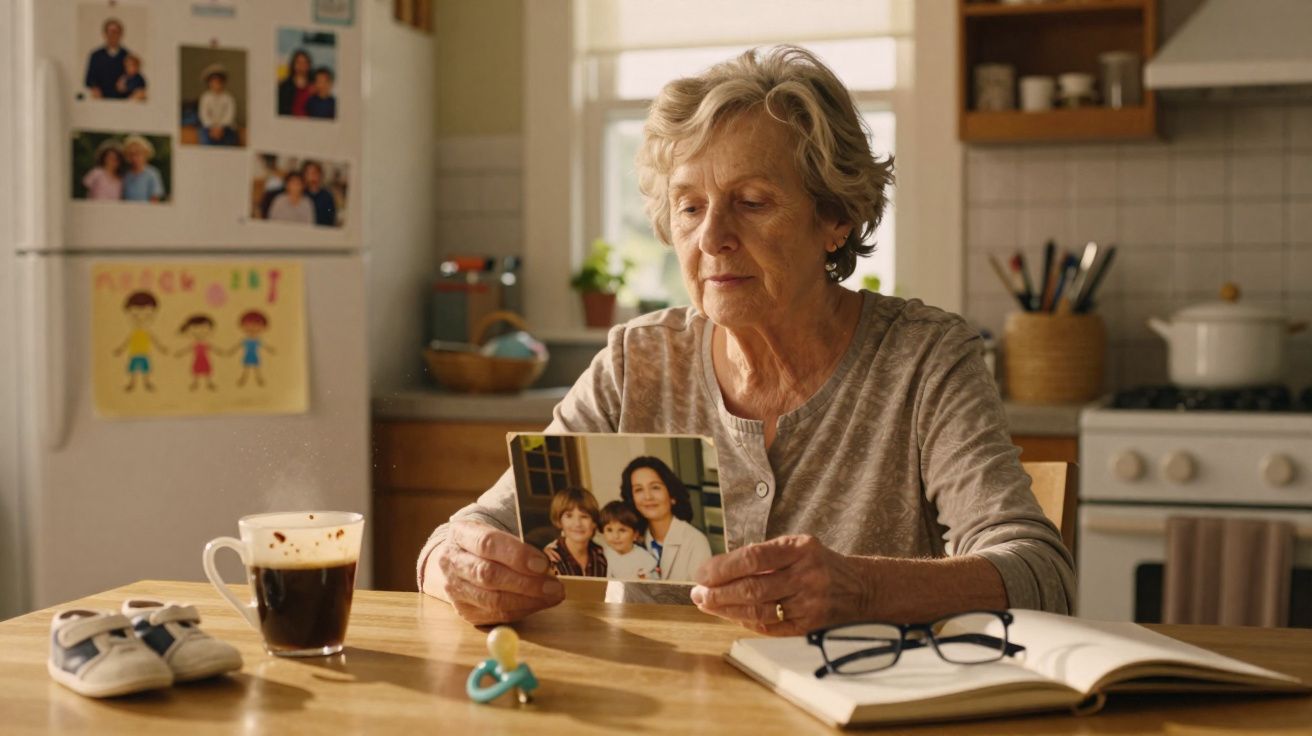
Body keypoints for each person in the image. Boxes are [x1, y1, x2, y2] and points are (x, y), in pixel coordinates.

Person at [417, 46, 1075, 631]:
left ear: (835, 218)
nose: (711, 238)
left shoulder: (925, 359)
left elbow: (1042, 576)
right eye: (690, 206)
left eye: (753, 202)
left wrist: (863, 588)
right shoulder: (636, 360)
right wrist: (459, 567)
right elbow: (467, 535)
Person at [620, 457, 711, 582]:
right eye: (638, 489)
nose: (647, 496)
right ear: (632, 499)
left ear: (672, 495)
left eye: (655, 487)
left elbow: (701, 597)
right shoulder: (632, 540)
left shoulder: (695, 541)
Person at [541, 488, 607, 577]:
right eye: (569, 516)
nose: (577, 523)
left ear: (594, 522)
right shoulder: (550, 559)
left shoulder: (602, 557)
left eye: (584, 516)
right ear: (559, 521)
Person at [111, 290, 166, 392]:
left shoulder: (148, 333)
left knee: (146, 370)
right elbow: (126, 343)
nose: (141, 319)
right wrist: (119, 350)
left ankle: (147, 383)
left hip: (145, 355)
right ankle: (132, 383)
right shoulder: (133, 333)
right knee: (133, 370)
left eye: (147, 316)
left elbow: (155, 342)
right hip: (134, 354)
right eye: (135, 316)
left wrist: (162, 348)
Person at [599, 501, 658, 581]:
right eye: (609, 530)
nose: (615, 536)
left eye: (622, 530)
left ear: (635, 535)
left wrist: (647, 578)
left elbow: (656, 584)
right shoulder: (602, 556)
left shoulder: (643, 558)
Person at [84, 18, 131, 100]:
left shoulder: (127, 56)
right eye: (110, 32)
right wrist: (94, 88)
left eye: (115, 32)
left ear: (121, 34)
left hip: (122, 102)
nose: (112, 35)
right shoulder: (96, 56)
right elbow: (89, 79)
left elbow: (135, 78)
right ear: (104, 34)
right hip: (100, 101)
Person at [229, 310, 275, 388]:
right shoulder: (245, 340)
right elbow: (237, 346)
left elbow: (265, 346)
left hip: (255, 356)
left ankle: (259, 379)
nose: (252, 328)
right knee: (246, 368)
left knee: (256, 368)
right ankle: (243, 379)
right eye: (248, 326)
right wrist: (230, 351)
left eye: (256, 326)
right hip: (247, 356)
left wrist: (271, 349)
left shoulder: (257, 340)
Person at [197, 63, 238, 146]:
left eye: (219, 81)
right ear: (209, 83)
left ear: (223, 82)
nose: (216, 83)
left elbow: (229, 115)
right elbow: (204, 115)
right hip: (209, 128)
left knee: (230, 139)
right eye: (213, 81)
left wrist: (220, 127)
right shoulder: (205, 97)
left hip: (225, 128)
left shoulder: (228, 98)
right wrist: (212, 127)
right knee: (204, 137)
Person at [175, 314, 217, 391]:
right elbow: (187, 349)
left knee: (207, 371)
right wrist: (179, 353)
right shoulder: (194, 345)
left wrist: (223, 353)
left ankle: (209, 383)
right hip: (197, 360)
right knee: (196, 372)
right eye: (196, 330)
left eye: (204, 329)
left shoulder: (206, 344)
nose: (200, 332)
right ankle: (195, 383)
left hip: (205, 360)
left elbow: (214, 349)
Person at [121, 135, 165, 203]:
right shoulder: (126, 174)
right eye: (131, 154)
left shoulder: (153, 173)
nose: (134, 157)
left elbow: (155, 200)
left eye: (138, 153)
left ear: (146, 153)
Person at [277, 49, 313, 117]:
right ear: (293, 64)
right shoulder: (284, 86)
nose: (301, 66)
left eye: (304, 63)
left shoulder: (314, 87)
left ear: (309, 65)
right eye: (298, 62)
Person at [301, 160, 337, 226]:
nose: (312, 177)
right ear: (304, 176)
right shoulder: (300, 194)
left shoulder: (327, 197)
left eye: (315, 173)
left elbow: (331, 219)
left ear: (320, 175)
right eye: (308, 173)